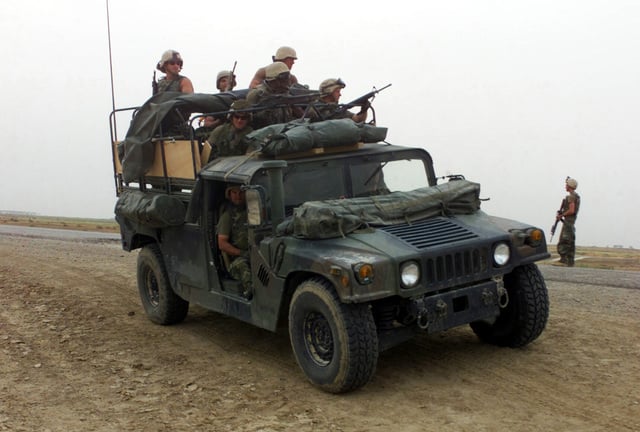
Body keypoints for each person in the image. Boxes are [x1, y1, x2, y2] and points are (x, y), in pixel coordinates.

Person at [217, 185, 252, 299]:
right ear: (229, 195)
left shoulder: (253, 212)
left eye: (241, 192)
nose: (238, 196)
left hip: (254, 252)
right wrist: (242, 253)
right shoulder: (227, 217)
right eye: (234, 192)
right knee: (243, 266)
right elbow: (222, 244)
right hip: (236, 260)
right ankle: (250, 292)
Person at [246, 62, 302, 128]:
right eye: (284, 78)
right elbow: (246, 118)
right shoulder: (258, 94)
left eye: (287, 77)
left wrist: (293, 105)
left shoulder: (286, 93)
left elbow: (302, 116)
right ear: (273, 80)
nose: (287, 81)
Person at [553, 177, 581, 267]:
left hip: (568, 222)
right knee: (570, 241)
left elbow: (571, 210)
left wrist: (561, 215)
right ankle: (570, 262)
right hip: (571, 222)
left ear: (570, 186)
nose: (565, 186)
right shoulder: (575, 196)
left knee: (564, 240)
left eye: (566, 185)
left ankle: (563, 260)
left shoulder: (571, 196)